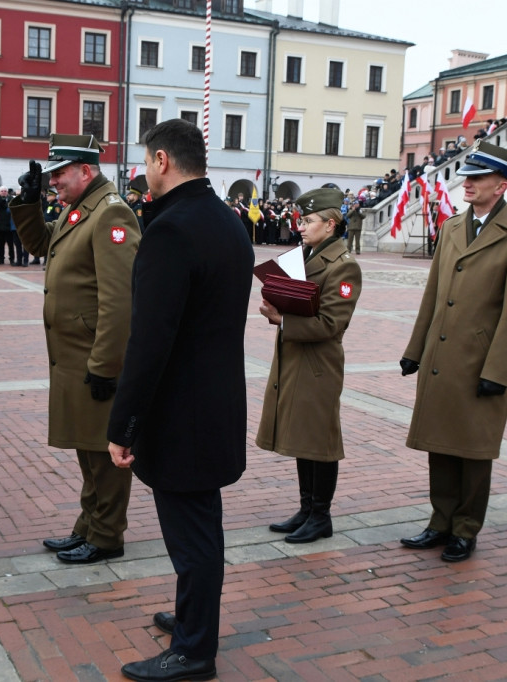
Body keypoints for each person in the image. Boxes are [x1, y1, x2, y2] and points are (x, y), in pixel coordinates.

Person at [108, 119, 254, 682]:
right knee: (201, 525)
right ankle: (195, 618)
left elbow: (150, 340)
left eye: (147, 161)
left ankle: (195, 650)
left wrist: (124, 423)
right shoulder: (225, 219)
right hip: (214, 401)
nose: (146, 171)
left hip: (181, 411)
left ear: (163, 160)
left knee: (192, 534)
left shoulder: (172, 229)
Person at [398, 140, 507, 563]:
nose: (469, 183)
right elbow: (433, 295)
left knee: (473, 450)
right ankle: (439, 521)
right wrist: (415, 349)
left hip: (479, 362)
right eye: (469, 175)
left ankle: (465, 529)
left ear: (501, 185)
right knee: (439, 443)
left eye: (478, 178)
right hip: (442, 359)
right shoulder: (451, 227)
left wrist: (498, 371)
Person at [11, 133, 141, 564]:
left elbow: (119, 300)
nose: (53, 183)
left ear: (86, 171)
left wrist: (105, 365)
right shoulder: (79, 209)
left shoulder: (111, 214)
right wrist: (27, 203)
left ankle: (106, 536)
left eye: (58, 174)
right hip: (74, 355)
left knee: (104, 455)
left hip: (94, 357)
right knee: (88, 448)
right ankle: (88, 524)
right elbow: (40, 244)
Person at [256, 188, 362, 544]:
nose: (300, 227)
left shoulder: (343, 266)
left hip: (319, 363)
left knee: (320, 440)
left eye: (308, 221)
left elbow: (332, 324)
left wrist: (282, 319)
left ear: (330, 225)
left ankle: (321, 515)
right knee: (303, 436)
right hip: (296, 357)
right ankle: (306, 509)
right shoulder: (303, 255)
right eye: (300, 220)